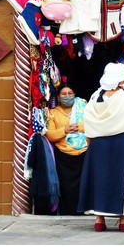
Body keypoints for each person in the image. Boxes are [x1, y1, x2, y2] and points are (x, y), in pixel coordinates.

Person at [77, 62, 124, 232]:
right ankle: (123, 220)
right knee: (123, 180)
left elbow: (88, 126)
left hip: (97, 145)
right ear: (119, 81)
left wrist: (91, 147)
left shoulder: (94, 99)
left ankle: (99, 220)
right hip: (122, 144)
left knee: (99, 180)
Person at [45, 83, 88, 215]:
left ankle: (84, 210)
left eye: (70, 93)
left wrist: (78, 128)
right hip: (63, 157)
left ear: (75, 95)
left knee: (84, 186)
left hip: (83, 154)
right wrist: (65, 130)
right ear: (58, 97)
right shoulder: (52, 113)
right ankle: (67, 212)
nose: (67, 96)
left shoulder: (84, 108)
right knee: (66, 188)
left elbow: (93, 125)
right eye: (64, 94)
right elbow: (50, 134)